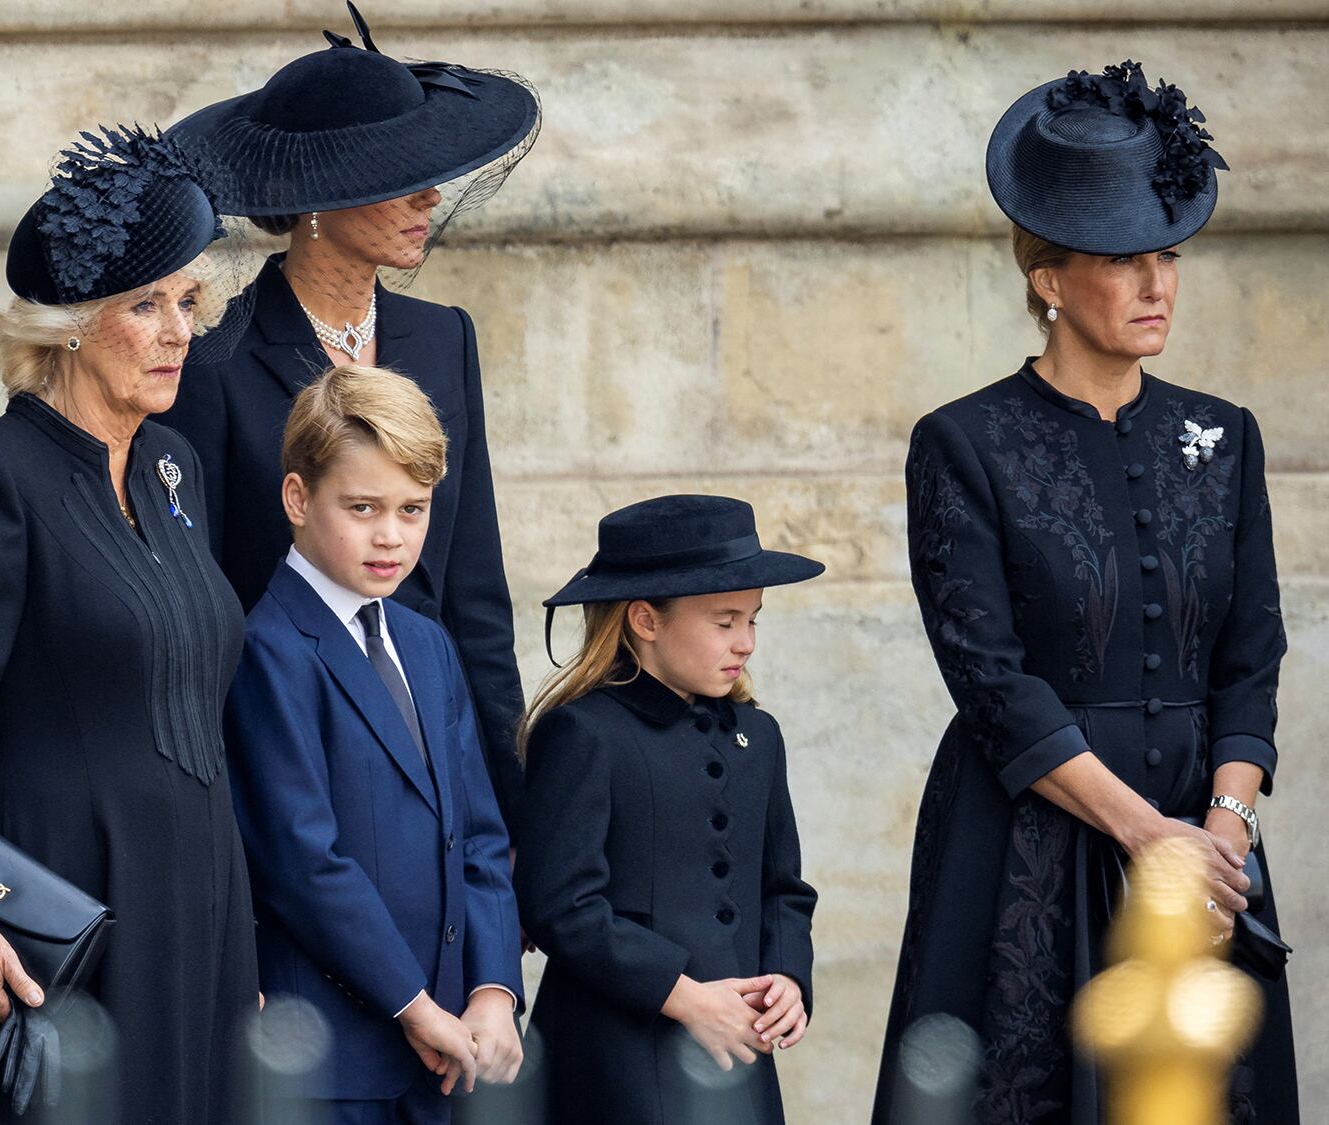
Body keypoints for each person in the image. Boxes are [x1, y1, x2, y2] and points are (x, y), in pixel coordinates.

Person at [873, 60, 1296, 1123]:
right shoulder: (960, 443)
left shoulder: (1223, 436)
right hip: (1027, 845)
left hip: (1207, 846)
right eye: (1122, 261)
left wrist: (1219, 835)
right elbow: (988, 679)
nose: (1157, 286)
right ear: (1049, 279)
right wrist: (1144, 835)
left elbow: (1250, 656)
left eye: (1167, 256)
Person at [0, 126, 258, 1124]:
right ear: (66, 325)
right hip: (64, 909)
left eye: (187, 302)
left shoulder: (173, 466)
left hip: (198, 897)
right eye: (145, 306)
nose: (179, 331)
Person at [161, 3, 540, 826]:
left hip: (439, 753)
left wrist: (510, 814)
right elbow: (204, 604)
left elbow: (475, 591)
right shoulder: (214, 363)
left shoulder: (444, 339)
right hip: (292, 767)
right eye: (399, 176)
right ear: (319, 198)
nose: (430, 197)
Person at [223, 365, 524, 1123]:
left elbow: (479, 836)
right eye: (362, 507)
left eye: (412, 509)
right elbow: (304, 859)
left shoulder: (427, 644)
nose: (392, 534)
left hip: (449, 1049)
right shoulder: (267, 648)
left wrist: (491, 988)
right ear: (298, 498)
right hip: (331, 1058)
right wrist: (413, 1005)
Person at [513, 495, 820, 1122]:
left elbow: (783, 888)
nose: (747, 643)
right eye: (724, 621)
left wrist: (788, 979)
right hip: (614, 1059)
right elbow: (559, 905)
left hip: (736, 1051)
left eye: (754, 620)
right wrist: (683, 997)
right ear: (645, 621)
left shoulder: (757, 737)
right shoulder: (584, 733)